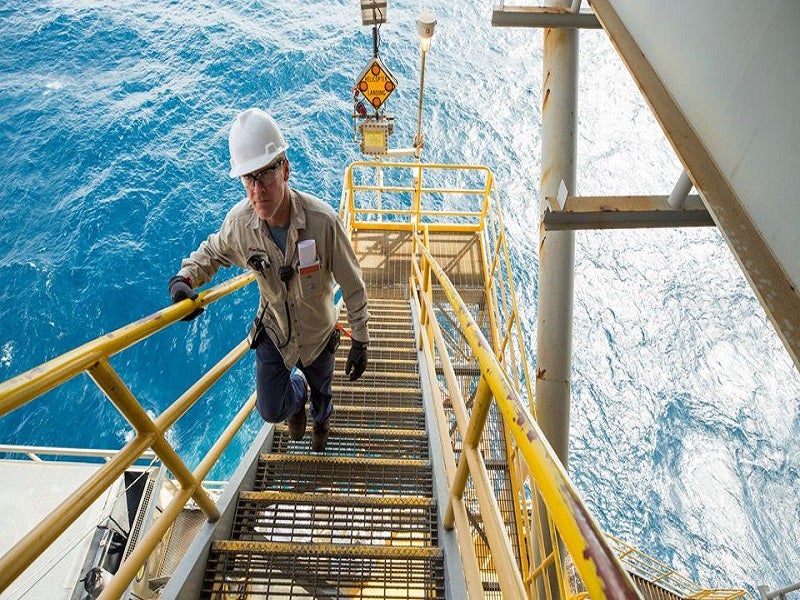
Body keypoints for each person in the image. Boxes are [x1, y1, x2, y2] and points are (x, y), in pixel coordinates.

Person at [168, 108, 370, 452]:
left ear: (285, 169)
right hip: (275, 330)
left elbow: (352, 284)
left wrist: (361, 339)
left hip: (319, 334)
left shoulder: (323, 222)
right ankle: (297, 398)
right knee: (270, 408)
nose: (257, 190)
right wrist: (184, 278)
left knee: (324, 393)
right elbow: (213, 251)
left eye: (264, 175)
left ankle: (322, 422)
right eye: (248, 179)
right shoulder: (240, 225)